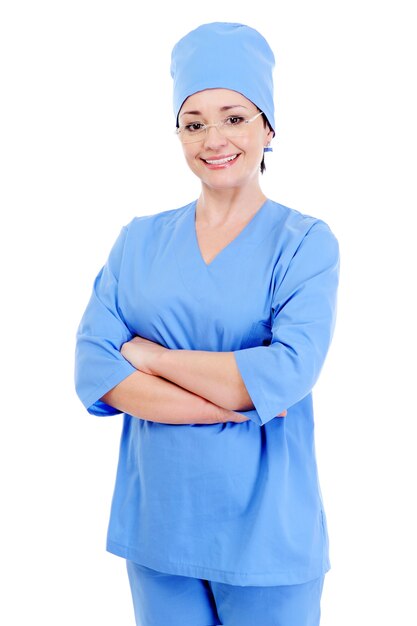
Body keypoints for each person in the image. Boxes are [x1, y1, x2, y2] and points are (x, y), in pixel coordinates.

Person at [75, 21, 339, 626]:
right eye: (193, 123)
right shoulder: (138, 241)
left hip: (269, 538)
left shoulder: (304, 243)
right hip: (159, 528)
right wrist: (225, 404)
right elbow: (95, 367)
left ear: (269, 127)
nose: (213, 138)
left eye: (235, 117)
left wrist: (154, 358)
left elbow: (285, 372)